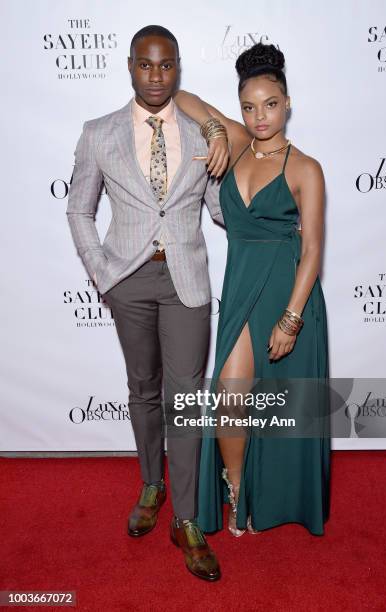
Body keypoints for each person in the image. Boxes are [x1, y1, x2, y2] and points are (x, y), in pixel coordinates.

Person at [66, 24, 229, 581]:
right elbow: (79, 210)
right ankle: (151, 484)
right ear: (130, 66)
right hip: (128, 282)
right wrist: (102, 275)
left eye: (166, 66)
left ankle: (187, 520)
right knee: (143, 388)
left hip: (187, 282)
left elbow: (221, 209)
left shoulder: (203, 136)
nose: (156, 76)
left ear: (178, 67)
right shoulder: (98, 133)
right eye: (145, 65)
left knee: (185, 399)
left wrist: (267, 191)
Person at [174, 42, 331, 537]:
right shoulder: (238, 143)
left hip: (289, 292)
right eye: (248, 106)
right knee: (231, 391)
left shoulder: (306, 167)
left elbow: (313, 251)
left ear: (288, 105)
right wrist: (217, 128)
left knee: (285, 401)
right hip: (242, 286)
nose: (259, 115)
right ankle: (238, 492)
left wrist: (292, 318)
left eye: (270, 104)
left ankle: (280, 496)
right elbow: (182, 98)